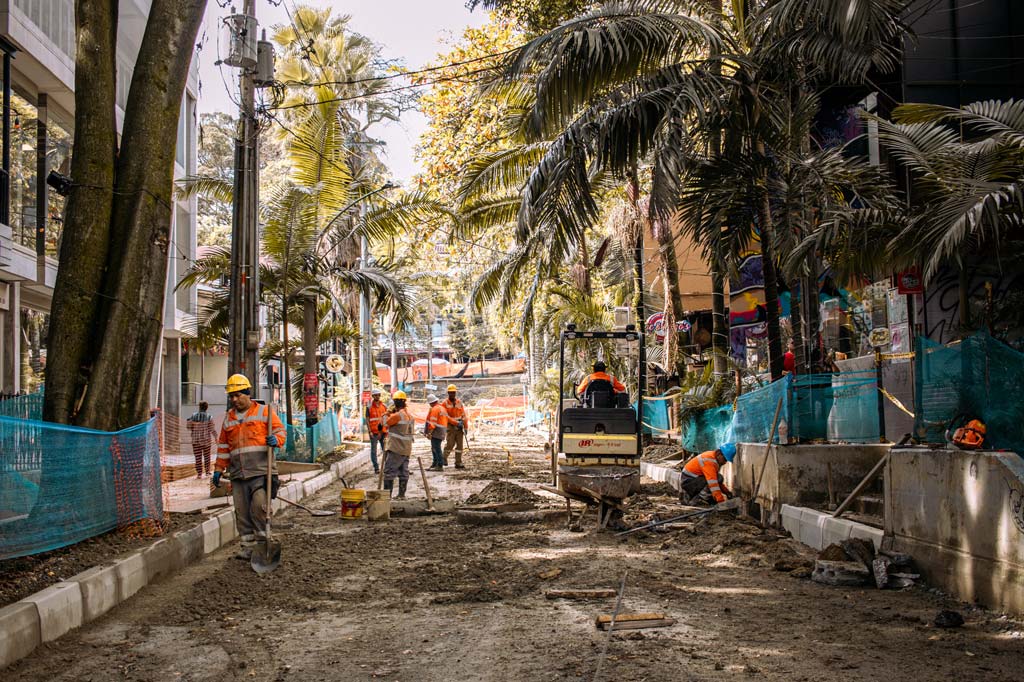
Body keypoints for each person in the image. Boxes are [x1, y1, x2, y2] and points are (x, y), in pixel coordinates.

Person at [211, 374, 286, 560]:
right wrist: (218, 469)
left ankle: (263, 544)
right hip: (238, 474)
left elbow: (280, 431)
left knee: (259, 508)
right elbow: (223, 447)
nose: (234, 399)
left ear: (247, 393)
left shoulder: (264, 411)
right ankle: (247, 547)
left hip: (261, 471)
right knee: (242, 512)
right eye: (231, 396)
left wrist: (276, 439)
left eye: (238, 395)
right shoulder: (228, 419)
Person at [383, 390, 414, 499]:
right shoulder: (410, 416)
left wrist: (387, 413)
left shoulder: (397, 415)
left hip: (396, 448)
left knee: (389, 472)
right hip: (406, 449)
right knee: (403, 472)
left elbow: (384, 423)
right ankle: (401, 495)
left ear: (395, 403)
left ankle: (386, 497)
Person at [441, 384, 469, 469]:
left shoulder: (459, 402)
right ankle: (443, 458)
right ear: (448, 393)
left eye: (454, 392)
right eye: (451, 392)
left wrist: (465, 426)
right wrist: (456, 423)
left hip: (460, 427)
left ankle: (458, 462)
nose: (452, 394)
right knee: (450, 444)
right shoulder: (444, 404)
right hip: (451, 426)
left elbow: (463, 415)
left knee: (460, 446)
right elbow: (446, 417)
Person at [186, 401, 215, 478]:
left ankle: (199, 474)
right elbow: (211, 428)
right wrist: (216, 437)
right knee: (207, 456)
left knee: (198, 457)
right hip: (206, 440)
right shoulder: (209, 417)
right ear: (207, 408)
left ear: (199, 407)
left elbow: (188, 427)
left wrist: (193, 426)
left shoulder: (193, 416)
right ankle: (207, 472)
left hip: (196, 440)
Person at [365, 388, 387, 475]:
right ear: (373, 396)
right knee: (373, 451)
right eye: (375, 395)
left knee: (385, 450)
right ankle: (376, 468)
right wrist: (369, 431)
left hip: (383, 432)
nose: (377, 396)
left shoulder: (384, 406)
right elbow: (367, 420)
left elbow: (386, 419)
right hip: (374, 433)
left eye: (378, 395)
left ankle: (387, 467)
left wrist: (385, 431)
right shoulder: (369, 407)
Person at [424, 394, 449, 471]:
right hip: (442, 430)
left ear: (431, 402)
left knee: (436, 448)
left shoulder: (435, 409)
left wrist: (429, 433)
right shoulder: (442, 408)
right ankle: (435, 463)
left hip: (437, 430)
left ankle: (439, 465)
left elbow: (433, 423)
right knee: (434, 447)